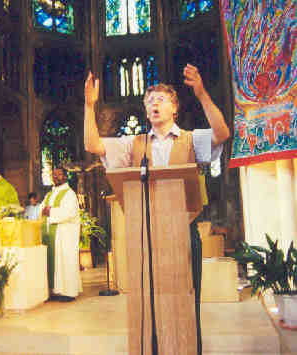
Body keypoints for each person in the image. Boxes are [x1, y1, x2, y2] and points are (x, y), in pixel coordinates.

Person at [84, 63, 230, 355]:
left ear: (174, 108)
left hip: (183, 232)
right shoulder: (133, 144)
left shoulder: (189, 139)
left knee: (185, 302)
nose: (153, 104)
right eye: (149, 101)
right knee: (148, 303)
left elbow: (222, 133)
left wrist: (201, 94)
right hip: (145, 233)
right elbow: (93, 144)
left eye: (160, 100)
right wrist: (89, 106)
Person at [41, 167, 82, 302]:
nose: (56, 177)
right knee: (55, 263)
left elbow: (70, 213)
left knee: (65, 262)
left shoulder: (69, 194)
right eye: (54, 175)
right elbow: (41, 209)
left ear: (65, 177)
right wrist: (44, 211)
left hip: (65, 235)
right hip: (51, 234)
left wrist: (51, 211)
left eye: (59, 175)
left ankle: (68, 292)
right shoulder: (49, 194)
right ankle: (54, 291)